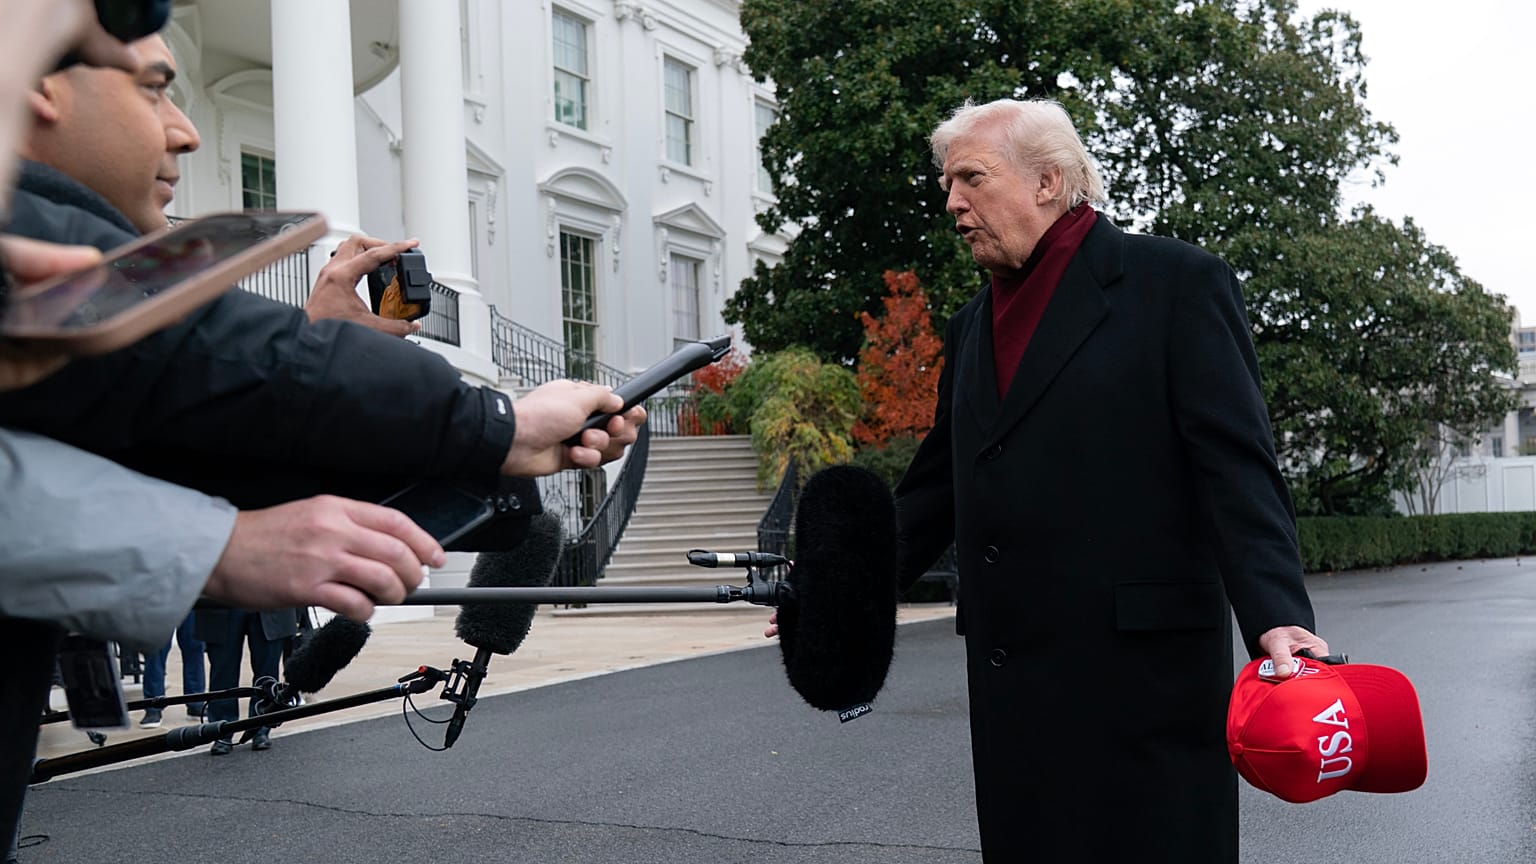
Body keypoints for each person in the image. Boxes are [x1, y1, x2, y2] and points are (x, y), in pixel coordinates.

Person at [875, 99, 1323, 861]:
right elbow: (937, 489)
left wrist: (1277, 614)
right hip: (1013, 686)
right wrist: (836, 585)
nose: (952, 203)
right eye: (948, 184)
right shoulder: (970, 324)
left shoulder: (1177, 284)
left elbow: (1235, 467)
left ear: (1047, 181)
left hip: (1145, 690)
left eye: (971, 179)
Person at [195, 607, 296, 755]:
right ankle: (222, 732)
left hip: (268, 602)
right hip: (224, 603)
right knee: (222, 673)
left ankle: (261, 728)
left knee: (267, 676)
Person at [137, 612, 205, 727]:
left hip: (191, 599)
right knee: (155, 650)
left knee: (195, 647)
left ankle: (196, 702)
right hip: (161, 599)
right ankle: (153, 706)